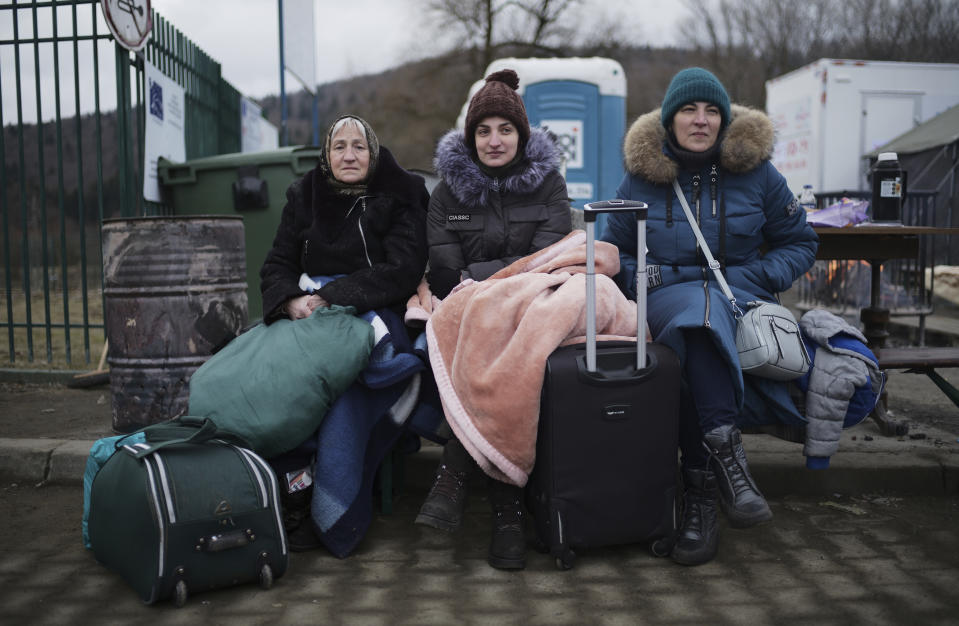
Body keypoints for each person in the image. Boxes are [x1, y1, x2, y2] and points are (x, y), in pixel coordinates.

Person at [602, 68, 818, 566]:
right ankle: (728, 465)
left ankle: (700, 495)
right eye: (689, 110)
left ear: (724, 119)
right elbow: (612, 249)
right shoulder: (641, 174)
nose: (701, 120)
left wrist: (757, 277)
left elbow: (801, 242)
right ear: (670, 118)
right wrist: (649, 278)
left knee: (697, 336)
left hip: (735, 297)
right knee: (695, 318)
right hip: (664, 297)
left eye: (712, 111)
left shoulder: (758, 173)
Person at [415, 68, 572, 570]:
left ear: (522, 136)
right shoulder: (447, 194)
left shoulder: (548, 185)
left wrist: (483, 278)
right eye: (483, 130)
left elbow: (547, 260)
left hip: (533, 306)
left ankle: (456, 474)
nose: (494, 140)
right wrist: (491, 281)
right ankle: (506, 510)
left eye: (505, 129)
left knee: (508, 342)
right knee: (485, 330)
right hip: (468, 308)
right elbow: (442, 271)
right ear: (470, 136)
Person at [259, 114, 430, 550]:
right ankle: (289, 490)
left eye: (359, 146)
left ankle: (334, 499)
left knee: (347, 384)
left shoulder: (402, 192)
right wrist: (291, 301)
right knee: (274, 376)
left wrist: (337, 296)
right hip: (307, 310)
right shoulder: (304, 194)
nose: (349, 155)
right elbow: (278, 263)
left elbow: (403, 268)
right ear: (326, 155)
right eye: (339, 146)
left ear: (372, 153)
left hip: (372, 309)